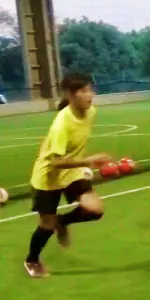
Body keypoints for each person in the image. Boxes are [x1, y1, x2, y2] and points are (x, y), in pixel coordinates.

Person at [23, 72, 111, 278]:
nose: (90, 95)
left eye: (90, 90)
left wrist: (85, 165)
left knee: (95, 210)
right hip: (48, 176)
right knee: (46, 225)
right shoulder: (61, 124)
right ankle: (32, 260)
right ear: (71, 95)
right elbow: (55, 162)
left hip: (72, 171)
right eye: (84, 91)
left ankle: (62, 222)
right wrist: (89, 161)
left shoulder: (91, 112)